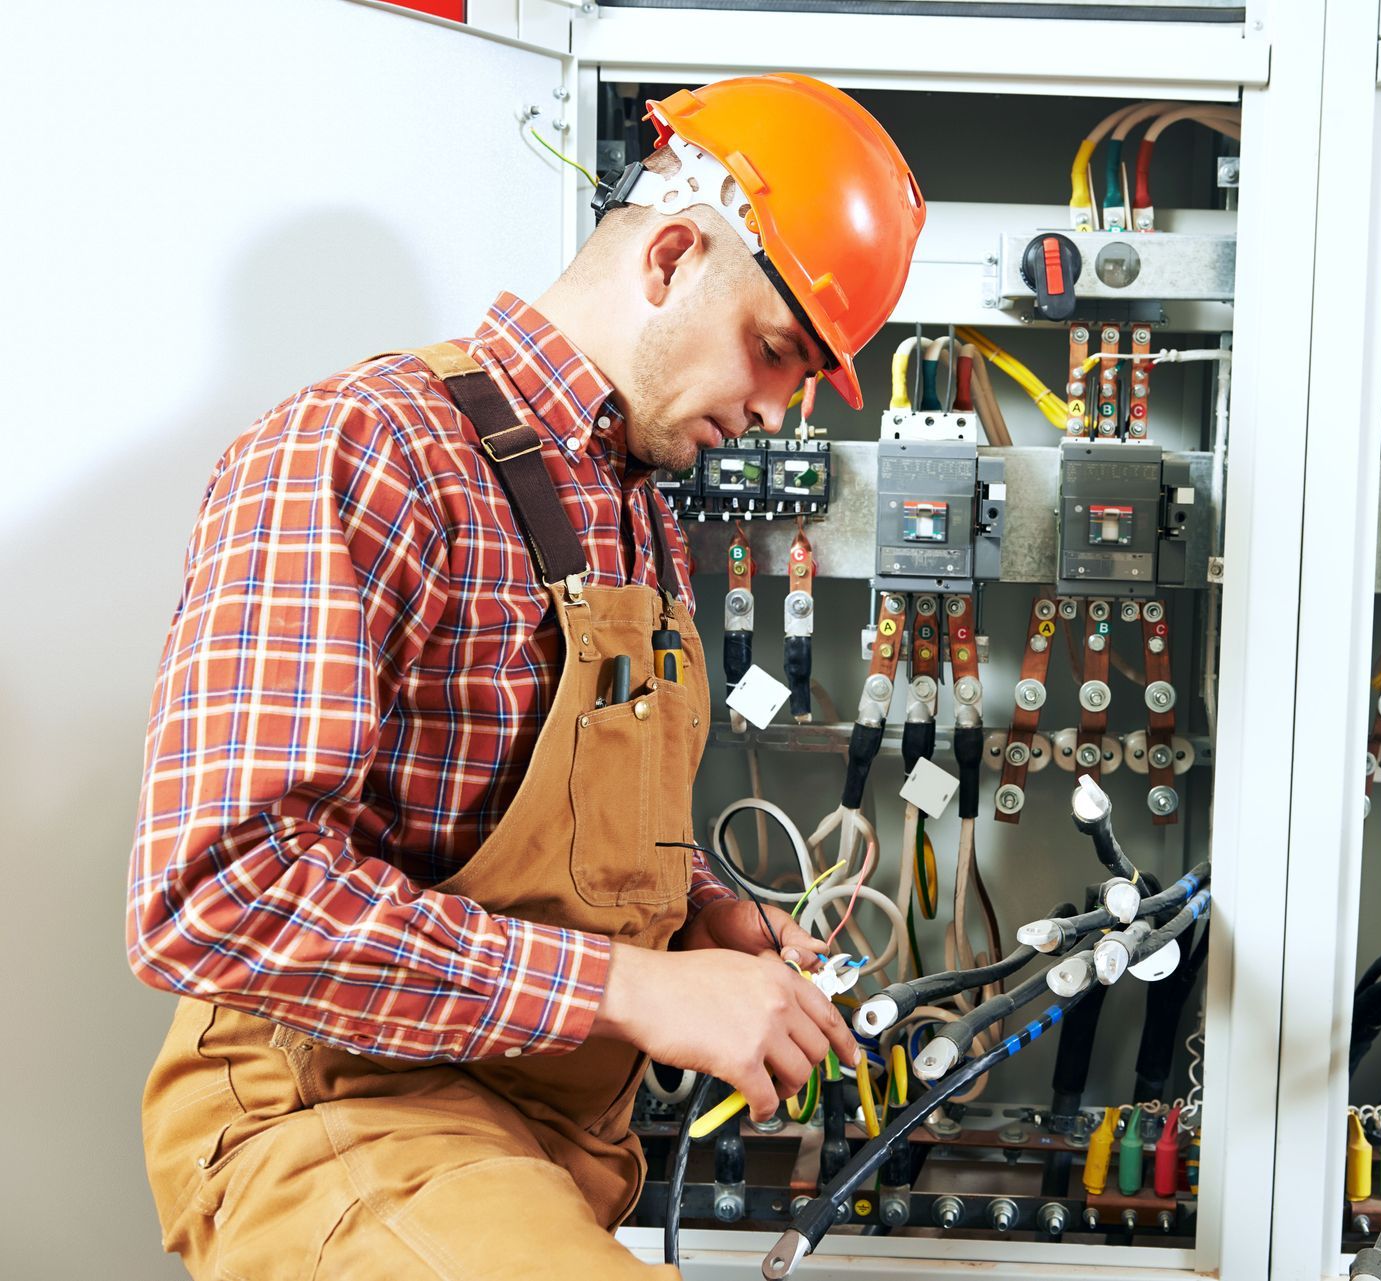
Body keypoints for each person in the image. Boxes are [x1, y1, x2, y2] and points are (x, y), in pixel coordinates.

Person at [127, 73, 924, 1279]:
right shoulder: (367, 447)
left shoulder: (633, 511)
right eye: (774, 353)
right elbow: (216, 893)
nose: (776, 410)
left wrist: (696, 906)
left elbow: (505, 808)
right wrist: (631, 988)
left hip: (539, 1144)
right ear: (669, 255)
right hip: (341, 1115)